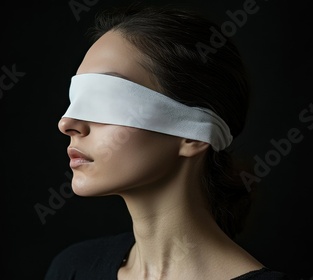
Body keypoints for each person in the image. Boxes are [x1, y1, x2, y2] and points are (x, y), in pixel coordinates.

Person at [45, 3, 292, 280]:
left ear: (193, 133)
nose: (67, 123)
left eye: (103, 100)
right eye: (75, 99)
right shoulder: (72, 269)